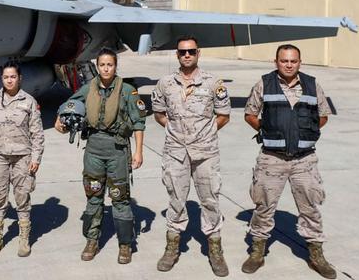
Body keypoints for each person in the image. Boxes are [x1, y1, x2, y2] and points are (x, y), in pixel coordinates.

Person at [240, 44, 336, 279]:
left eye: (293, 61)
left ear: (300, 62)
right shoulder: (264, 83)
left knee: (310, 208)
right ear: (276, 62)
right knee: (263, 207)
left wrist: (304, 132)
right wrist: (267, 130)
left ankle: (316, 255)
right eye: (284, 61)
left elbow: (322, 116)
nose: (289, 65)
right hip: (271, 159)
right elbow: (250, 114)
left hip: (304, 160)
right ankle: (257, 252)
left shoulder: (313, 85)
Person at [54, 48, 146, 264]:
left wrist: (139, 151)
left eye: (110, 65)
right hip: (94, 149)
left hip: (117, 150)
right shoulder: (89, 88)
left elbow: (139, 123)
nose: (106, 68)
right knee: (93, 196)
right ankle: (92, 240)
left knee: (120, 198)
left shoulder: (128, 91)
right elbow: (68, 105)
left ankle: (125, 245)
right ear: (98, 66)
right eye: (102, 64)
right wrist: (60, 119)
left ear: (115, 66)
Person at [151, 35, 231, 276]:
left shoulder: (213, 82)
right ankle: (172, 246)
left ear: (199, 53)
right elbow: (159, 113)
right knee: (176, 198)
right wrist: (178, 133)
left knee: (210, 198)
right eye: (183, 52)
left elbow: (223, 115)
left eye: (191, 51)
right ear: (177, 55)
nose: (187, 55)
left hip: (206, 152)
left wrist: (202, 134)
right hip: (175, 152)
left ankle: (215, 249)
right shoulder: (165, 83)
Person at [0, 61, 45, 257]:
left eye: (13, 76)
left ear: (19, 78)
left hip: (22, 157)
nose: (9, 80)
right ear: (1, 79)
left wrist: (36, 158)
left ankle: (24, 238)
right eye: (6, 77)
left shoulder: (29, 102)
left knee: (22, 197)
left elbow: (37, 134)